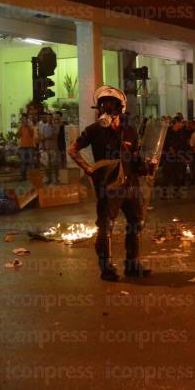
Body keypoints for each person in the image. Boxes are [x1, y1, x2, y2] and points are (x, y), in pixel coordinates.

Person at [69, 86, 153, 282]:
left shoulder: (130, 131)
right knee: (105, 227)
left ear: (120, 107)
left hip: (130, 186)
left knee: (136, 223)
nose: (106, 108)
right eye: (103, 104)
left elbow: (135, 157)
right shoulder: (94, 130)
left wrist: (145, 166)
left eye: (111, 104)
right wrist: (88, 168)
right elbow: (73, 150)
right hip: (108, 187)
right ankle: (106, 268)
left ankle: (132, 265)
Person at [162, 116, 189, 199]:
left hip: (179, 157)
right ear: (177, 123)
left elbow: (184, 144)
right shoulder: (167, 132)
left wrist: (185, 156)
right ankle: (164, 193)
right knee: (167, 175)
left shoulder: (182, 132)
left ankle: (176, 192)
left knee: (178, 175)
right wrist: (170, 150)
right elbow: (165, 144)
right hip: (169, 157)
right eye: (181, 122)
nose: (182, 124)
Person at [39, 113, 61, 184]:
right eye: (48, 118)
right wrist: (43, 147)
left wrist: (45, 137)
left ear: (52, 118)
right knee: (46, 165)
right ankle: (48, 179)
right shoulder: (43, 126)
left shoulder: (56, 126)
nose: (49, 119)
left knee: (54, 165)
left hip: (54, 148)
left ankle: (57, 179)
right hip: (46, 148)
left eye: (50, 118)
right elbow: (41, 138)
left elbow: (55, 137)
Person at [17, 114, 36, 181]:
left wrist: (28, 126)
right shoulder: (20, 126)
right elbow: (18, 135)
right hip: (22, 146)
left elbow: (32, 134)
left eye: (25, 119)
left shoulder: (30, 125)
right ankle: (23, 176)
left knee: (31, 162)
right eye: (22, 119)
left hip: (30, 146)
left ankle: (33, 176)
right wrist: (20, 127)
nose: (24, 120)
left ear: (27, 119)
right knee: (23, 162)